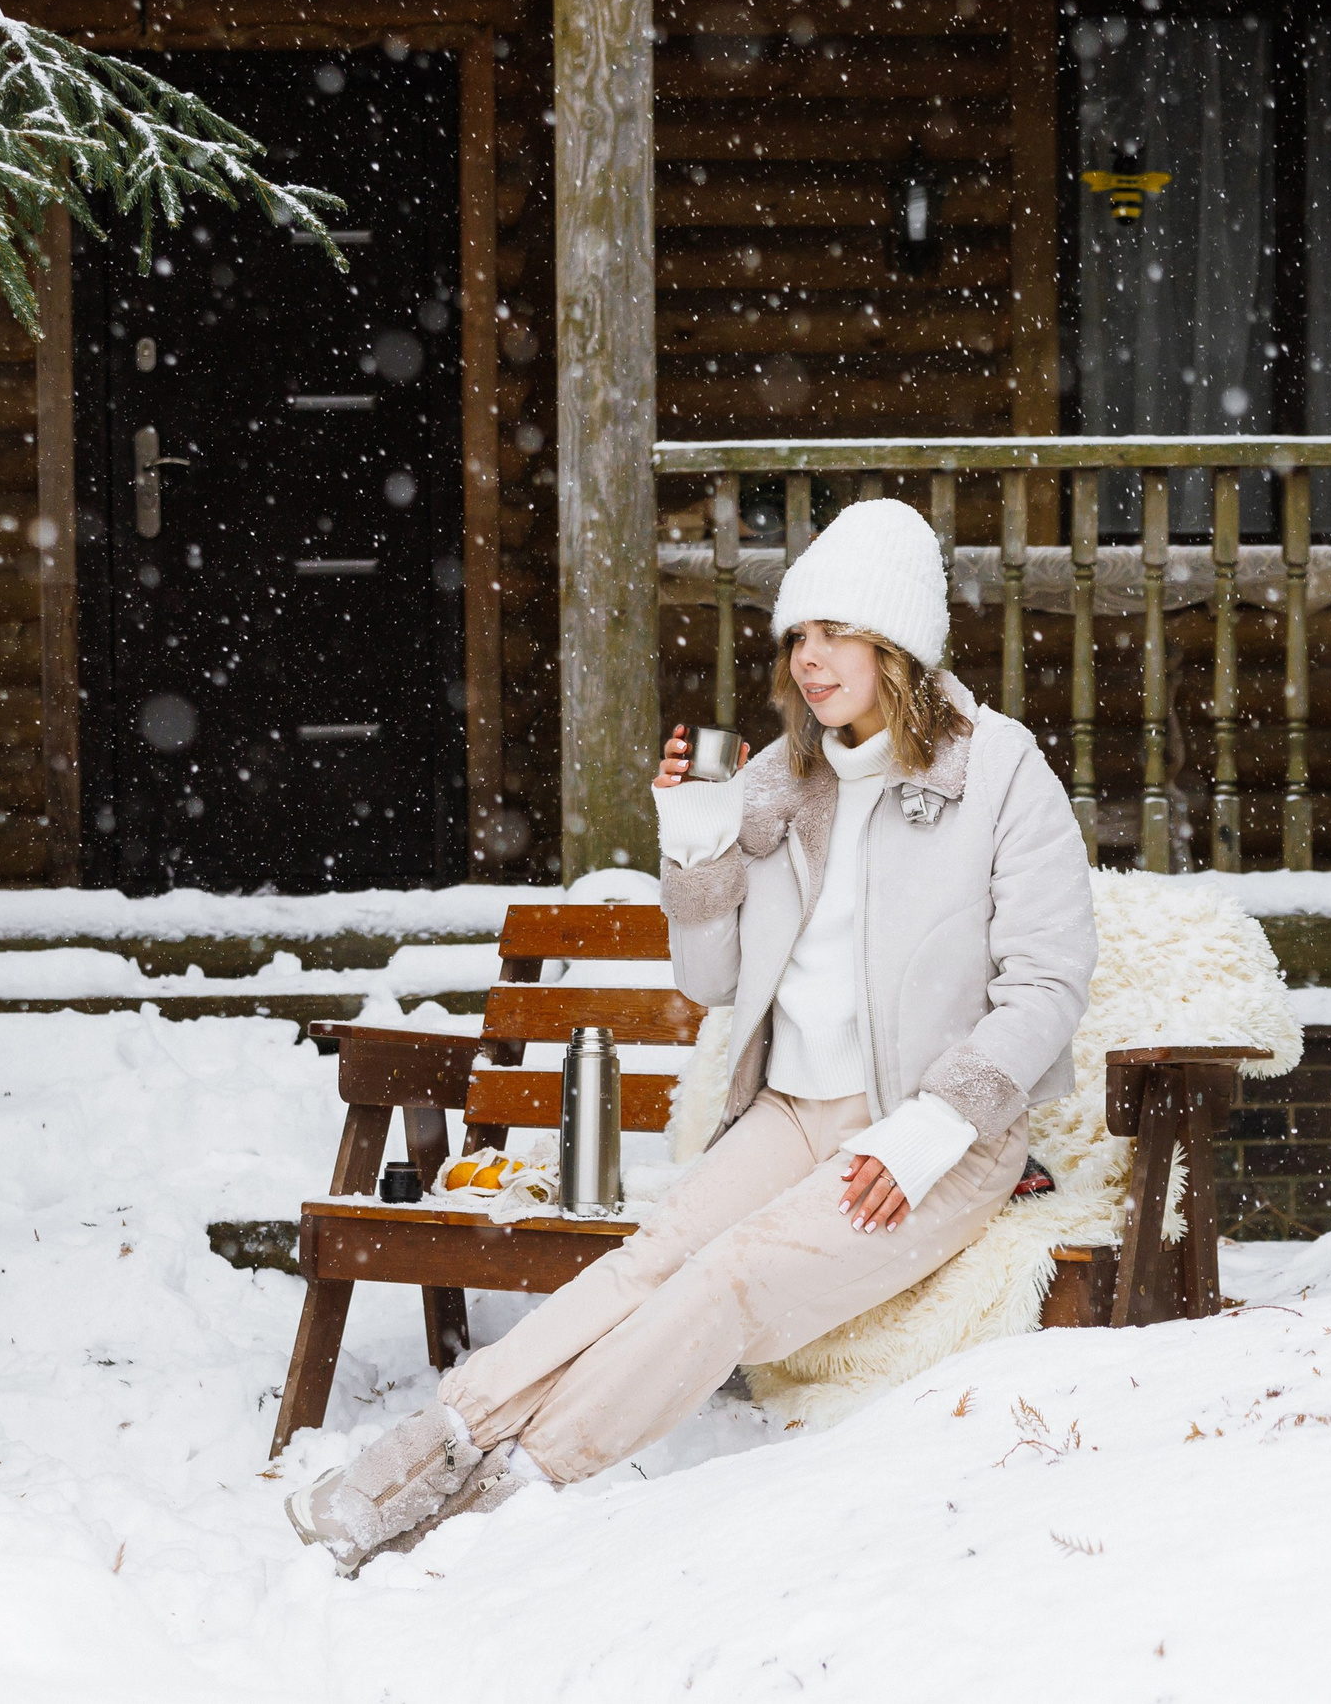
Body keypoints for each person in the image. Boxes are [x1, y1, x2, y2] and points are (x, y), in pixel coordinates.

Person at [287, 498, 1096, 1573]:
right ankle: (429, 1453)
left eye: (834, 633)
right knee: (656, 1257)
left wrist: (930, 1131)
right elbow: (711, 979)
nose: (807, 661)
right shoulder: (779, 779)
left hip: (929, 1135)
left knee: (733, 1278)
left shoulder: (997, 771)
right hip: (790, 1110)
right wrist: (695, 844)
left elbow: (1047, 984)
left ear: (896, 645)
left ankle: (520, 1491)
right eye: (796, 637)